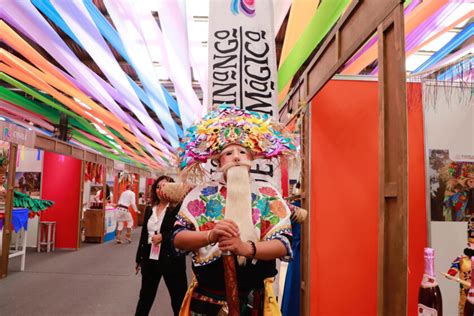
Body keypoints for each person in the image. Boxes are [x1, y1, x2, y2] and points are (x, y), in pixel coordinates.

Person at [173, 105, 296, 315]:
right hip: (207, 302)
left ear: (252, 158)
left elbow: (283, 244)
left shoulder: (267, 194)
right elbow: (178, 238)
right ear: (218, 160)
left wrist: (245, 248)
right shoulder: (202, 194)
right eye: (228, 152)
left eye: (242, 151)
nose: (236, 157)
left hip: (253, 301)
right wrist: (210, 235)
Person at [135, 175, 188, 316]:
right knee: (145, 298)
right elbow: (144, 235)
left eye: (165, 186)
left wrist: (163, 237)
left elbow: (183, 231)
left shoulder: (179, 209)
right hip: (150, 258)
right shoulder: (149, 209)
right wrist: (139, 258)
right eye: (158, 187)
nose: (160, 190)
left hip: (171, 259)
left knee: (178, 299)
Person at [446, 216, 474, 315]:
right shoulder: (461, 259)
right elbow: (454, 268)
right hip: (465, 295)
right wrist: (452, 272)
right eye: (470, 245)